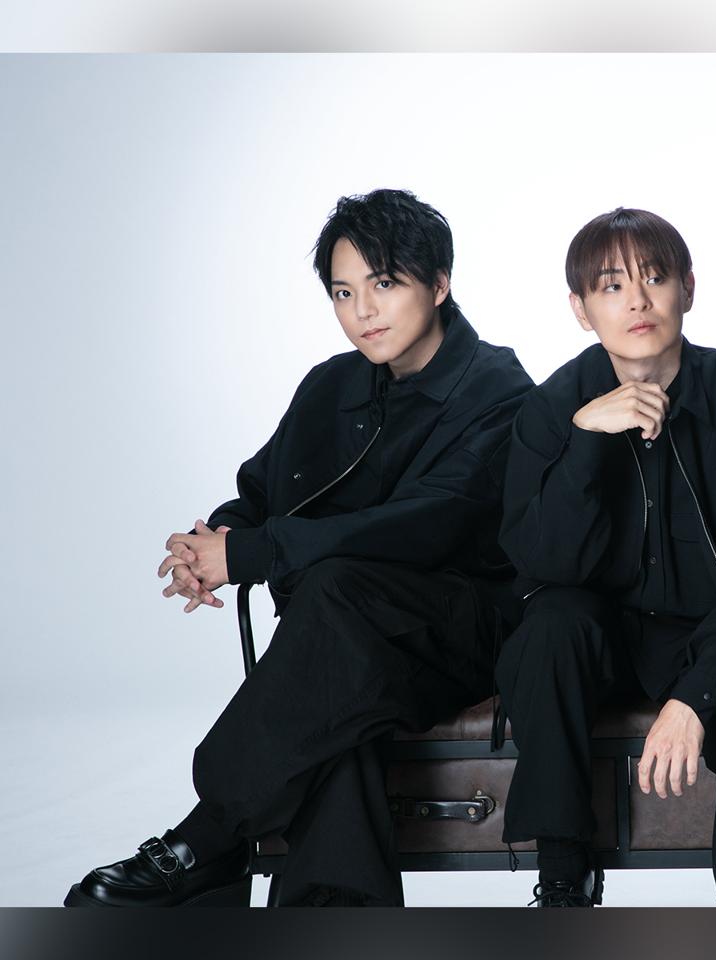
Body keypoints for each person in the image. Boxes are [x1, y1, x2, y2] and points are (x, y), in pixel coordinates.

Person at [65, 189, 533, 907]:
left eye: (384, 284)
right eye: (343, 293)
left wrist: (254, 555)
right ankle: (328, 922)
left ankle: (210, 836)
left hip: (459, 634)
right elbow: (261, 490)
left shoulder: (499, 390)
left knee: (337, 594)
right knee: (338, 709)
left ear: (439, 284)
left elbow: (426, 525)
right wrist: (213, 542)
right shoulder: (331, 385)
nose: (363, 311)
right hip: (341, 642)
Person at [496, 208, 716, 907]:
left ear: (688, 289)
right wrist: (587, 440)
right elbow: (540, 563)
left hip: (707, 633)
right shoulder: (553, 409)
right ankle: (563, 878)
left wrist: (695, 695)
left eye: (655, 277)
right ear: (581, 309)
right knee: (548, 628)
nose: (637, 301)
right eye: (611, 286)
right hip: (597, 637)